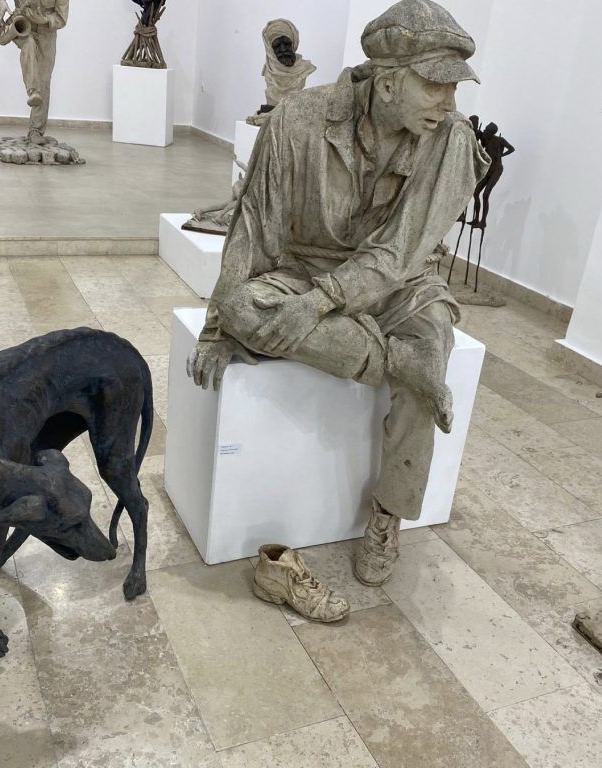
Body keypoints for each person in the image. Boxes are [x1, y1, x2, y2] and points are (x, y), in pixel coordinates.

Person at [188, 0, 489, 587]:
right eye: (435, 85)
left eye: (455, 87)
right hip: (305, 267)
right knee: (240, 305)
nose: (449, 102)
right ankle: (397, 361)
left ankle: (388, 513)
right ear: (388, 81)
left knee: (432, 345)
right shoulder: (298, 117)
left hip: (401, 282)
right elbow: (254, 226)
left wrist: (320, 305)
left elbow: (399, 253)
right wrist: (218, 328)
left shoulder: (450, 138)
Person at [0, 0, 69, 144]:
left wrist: (43, 19)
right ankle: (33, 91)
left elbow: (62, 19)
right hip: (22, 22)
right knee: (28, 45)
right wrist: (1, 1)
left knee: (44, 80)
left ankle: (35, 131)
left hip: (46, 33)